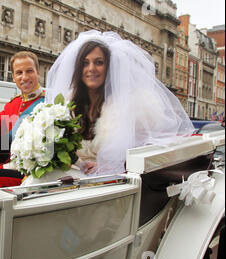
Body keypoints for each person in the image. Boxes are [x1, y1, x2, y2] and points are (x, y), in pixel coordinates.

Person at [45, 30, 194, 176]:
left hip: (115, 185)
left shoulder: (135, 105)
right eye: (85, 63)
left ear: (109, 67)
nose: (91, 69)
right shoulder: (67, 104)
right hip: (72, 183)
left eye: (99, 62)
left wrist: (107, 167)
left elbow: (150, 154)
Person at [0, 51, 45, 186]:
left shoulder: (49, 101)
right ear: (13, 77)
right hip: (11, 167)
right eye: (19, 73)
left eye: (29, 71)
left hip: (35, 174)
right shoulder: (13, 105)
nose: (24, 77)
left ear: (38, 72)